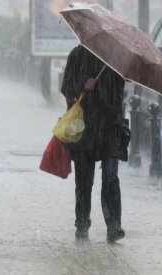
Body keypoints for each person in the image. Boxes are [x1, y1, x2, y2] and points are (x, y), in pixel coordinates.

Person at [61, 45, 127, 243]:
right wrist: (84, 88)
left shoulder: (115, 61)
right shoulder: (76, 56)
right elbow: (68, 93)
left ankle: (113, 224)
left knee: (110, 178)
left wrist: (103, 89)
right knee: (84, 181)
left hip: (110, 128)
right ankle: (82, 223)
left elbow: (119, 96)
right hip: (84, 129)